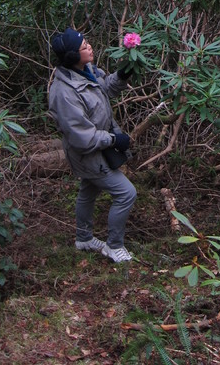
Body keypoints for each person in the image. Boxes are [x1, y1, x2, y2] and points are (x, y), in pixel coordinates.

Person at [48, 27, 137, 263]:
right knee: (126, 193)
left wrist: (122, 75)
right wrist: (114, 139)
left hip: (97, 147)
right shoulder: (63, 92)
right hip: (88, 152)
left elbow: (103, 89)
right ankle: (114, 246)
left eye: (88, 43)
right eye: (84, 47)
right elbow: (81, 136)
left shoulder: (85, 70)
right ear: (72, 56)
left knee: (89, 190)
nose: (90, 47)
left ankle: (84, 238)